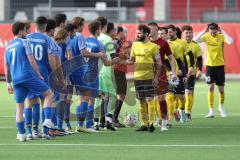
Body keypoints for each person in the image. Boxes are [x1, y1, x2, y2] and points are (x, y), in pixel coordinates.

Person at [4, 22, 54, 142]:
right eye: (26, 31)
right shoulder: (24, 42)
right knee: (49, 94)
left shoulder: (8, 46)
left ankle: (21, 134)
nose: (27, 33)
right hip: (27, 76)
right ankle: (47, 123)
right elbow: (31, 60)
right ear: (21, 31)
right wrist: (39, 75)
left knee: (20, 107)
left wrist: (8, 83)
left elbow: (7, 67)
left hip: (15, 80)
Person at [121, 24, 162, 132]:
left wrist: (156, 77)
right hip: (137, 77)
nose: (137, 34)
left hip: (149, 77)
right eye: (137, 33)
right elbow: (131, 60)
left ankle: (152, 123)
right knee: (141, 101)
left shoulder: (154, 47)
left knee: (149, 99)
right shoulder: (134, 45)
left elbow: (159, 63)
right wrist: (120, 61)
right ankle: (144, 123)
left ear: (146, 34)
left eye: (139, 33)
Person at [26, 16, 60, 139]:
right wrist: (55, 73)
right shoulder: (48, 39)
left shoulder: (27, 38)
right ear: (45, 26)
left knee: (30, 102)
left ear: (35, 25)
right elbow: (51, 58)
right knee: (46, 100)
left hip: (29, 74)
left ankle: (31, 132)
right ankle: (45, 132)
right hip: (44, 74)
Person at [193, 22, 233, 118]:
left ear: (217, 29)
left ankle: (221, 107)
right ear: (209, 29)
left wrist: (222, 31)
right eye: (211, 29)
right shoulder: (206, 37)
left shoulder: (221, 36)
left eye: (214, 29)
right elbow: (194, 41)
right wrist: (203, 31)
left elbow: (230, 41)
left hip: (220, 66)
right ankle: (211, 111)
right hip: (209, 66)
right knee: (210, 87)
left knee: (221, 89)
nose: (213, 31)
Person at [148, 22, 177, 131]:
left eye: (151, 29)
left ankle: (164, 121)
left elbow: (171, 58)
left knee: (161, 97)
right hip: (147, 73)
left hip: (160, 74)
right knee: (148, 98)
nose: (149, 31)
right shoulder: (144, 42)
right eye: (148, 29)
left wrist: (174, 72)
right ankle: (150, 121)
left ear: (156, 30)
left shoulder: (163, 43)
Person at [167, 24, 194, 123]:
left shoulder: (182, 43)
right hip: (168, 73)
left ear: (174, 32)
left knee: (181, 96)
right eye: (167, 32)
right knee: (170, 95)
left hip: (180, 72)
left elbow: (189, 55)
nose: (168, 34)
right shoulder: (165, 43)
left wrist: (190, 68)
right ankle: (171, 114)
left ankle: (181, 110)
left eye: (170, 32)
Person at [181, 25, 203, 121]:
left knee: (188, 92)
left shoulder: (195, 45)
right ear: (182, 34)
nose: (189, 34)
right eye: (187, 33)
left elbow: (199, 59)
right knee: (178, 95)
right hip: (179, 73)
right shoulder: (178, 44)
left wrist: (199, 70)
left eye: (190, 32)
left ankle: (187, 112)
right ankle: (180, 110)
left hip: (191, 73)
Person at [112, 26, 129, 128]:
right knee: (120, 94)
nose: (126, 34)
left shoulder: (122, 43)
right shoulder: (115, 43)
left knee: (120, 94)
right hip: (116, 70)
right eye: (124, 32)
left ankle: (112, 119)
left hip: (120, 70)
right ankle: (113, 119)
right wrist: (126, 56)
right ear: (119, 32)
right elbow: (114, 56)